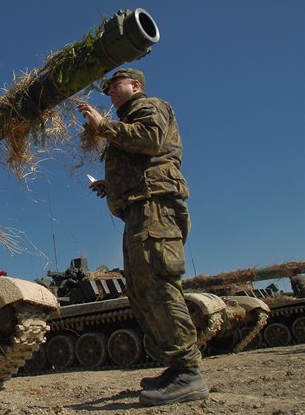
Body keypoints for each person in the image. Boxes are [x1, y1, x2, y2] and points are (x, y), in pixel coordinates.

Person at [77, 68, 209, 406]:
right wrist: (109, 186)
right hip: (139, 210)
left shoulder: (148, 106)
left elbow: (150, 140)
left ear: (135, 85)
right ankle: (177, 366)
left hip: (155, 208)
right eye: (106, 90)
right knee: (139, 289)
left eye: (114, 86)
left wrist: (101, 125)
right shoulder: (129, 118)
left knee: (158, 284)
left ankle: (188, 373)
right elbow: (140, 162)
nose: (109, 93)